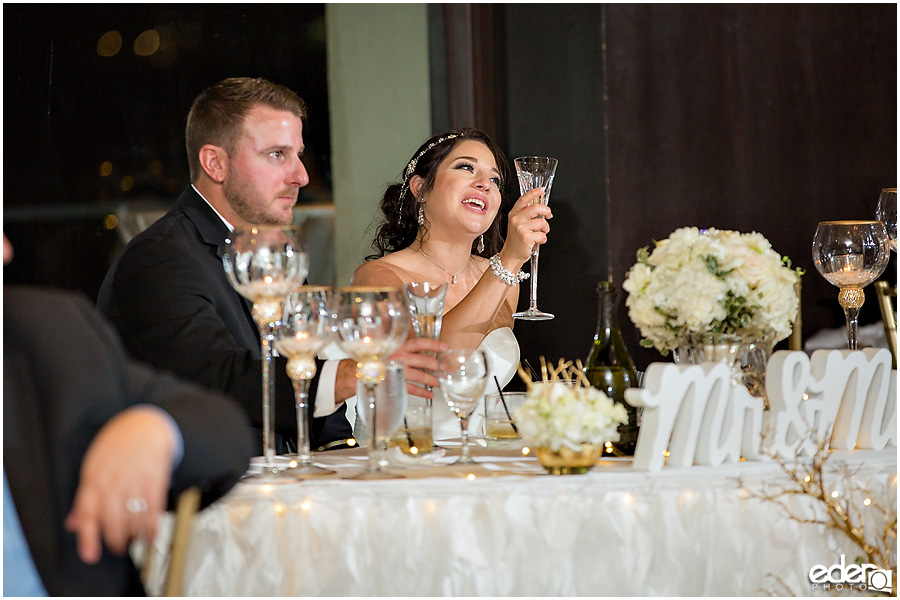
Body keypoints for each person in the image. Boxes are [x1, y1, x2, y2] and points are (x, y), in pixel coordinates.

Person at [97, 77, 443, 452]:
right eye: (278, 154)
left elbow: (322, 418)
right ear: (215, 163)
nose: (302, 176)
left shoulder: (274, 256)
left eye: (298, 154)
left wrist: (347, 462)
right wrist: (352, 373)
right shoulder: (159, 259)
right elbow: (217, 380)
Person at [4, 236, 254, 596]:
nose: (5, 249)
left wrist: (155, 428)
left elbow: (219, 424)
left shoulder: (48, 333)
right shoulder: (162, 257)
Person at [351, 129, 552, 437]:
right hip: (404, 460)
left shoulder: (503, 279)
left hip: (481, 462)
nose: (485, 183)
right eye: (466, 167)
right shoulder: (377, 277)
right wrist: (509, 260)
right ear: (421, 188)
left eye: (495, 180)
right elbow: (431, 364)